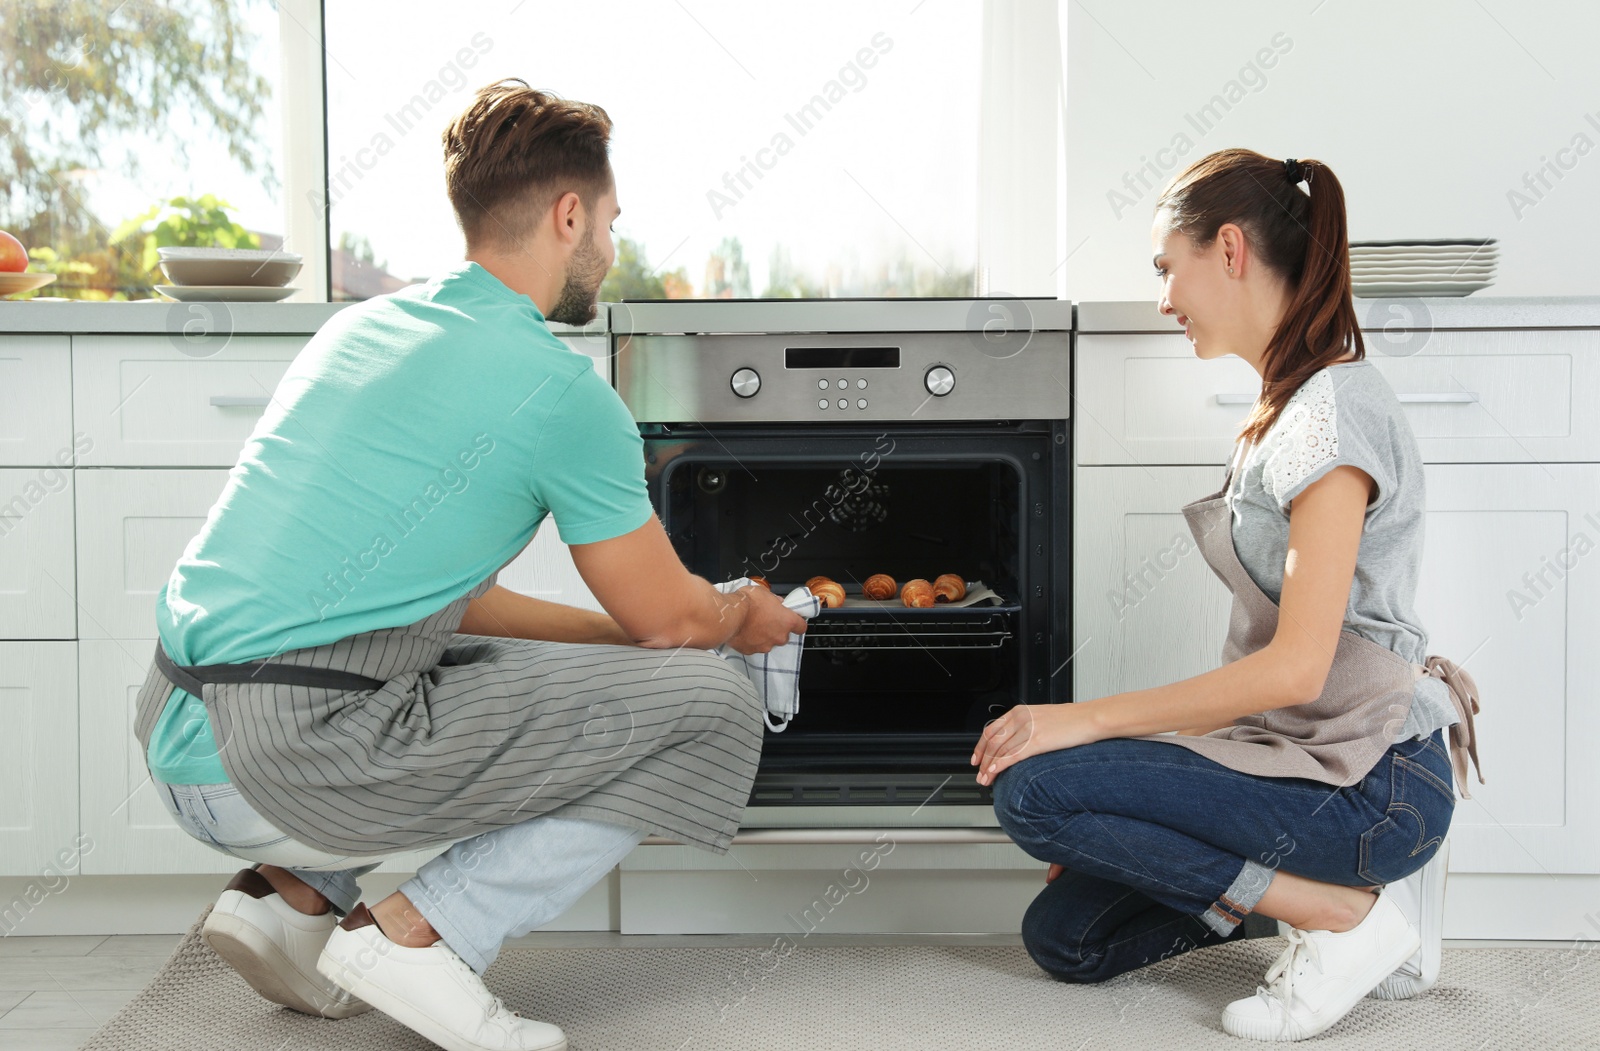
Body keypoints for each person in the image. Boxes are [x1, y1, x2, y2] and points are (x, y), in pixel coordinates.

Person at [134, 79, 806, 1051]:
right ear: (567, 215)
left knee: (467, 659)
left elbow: (459, 602)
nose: (610, 253)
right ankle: (421, 937)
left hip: (176, 723)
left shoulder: (360, 331)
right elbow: (677, 625)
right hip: (284, 761)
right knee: (709, 707)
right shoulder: (560, 392)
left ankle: (292, 898)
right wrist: (741, 613)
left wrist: (623, 644)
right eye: (609, 225)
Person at [973, 149, 1482, 1042]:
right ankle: (1336, 902)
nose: (1164, 296)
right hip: (1298, 755)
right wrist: (1134, 823)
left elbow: (1295, 666)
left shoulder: (1332, 415)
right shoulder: (1285, 408)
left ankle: (1345, 916)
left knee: (1033, 792)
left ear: (1232, 249)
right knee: (1068, 939)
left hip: (1374, 780)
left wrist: (1083, 723)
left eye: (1169, 267)